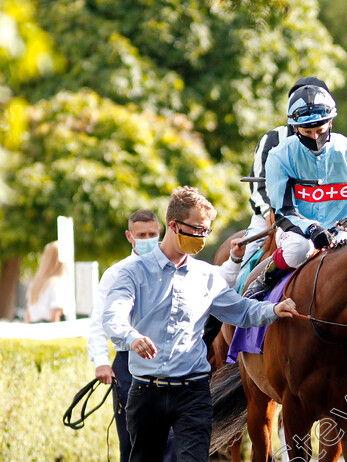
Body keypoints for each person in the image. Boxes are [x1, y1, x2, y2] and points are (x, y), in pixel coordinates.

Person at [103, 186, 299, 462]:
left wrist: (273, 309)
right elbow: (113, 315)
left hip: (193, 392)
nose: (202, 238)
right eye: (196, 229)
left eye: (206, 231)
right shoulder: (133, 272)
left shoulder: (207, 276)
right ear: (173, 225)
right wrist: (131, 336)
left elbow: (240, 310)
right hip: (147, 392)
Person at [246, 85, 347, 296]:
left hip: (343, 233)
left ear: (330, 123)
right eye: (307, 132)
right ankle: (264, 280)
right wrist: (312, 228)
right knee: (299, 249)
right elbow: (283, 212)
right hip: (298, 233)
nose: (315, 137)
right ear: (295, 128)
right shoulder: (279, 156)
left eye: (321, 130)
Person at [86, 210, 180, 462]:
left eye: (152, 234)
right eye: (142, 235)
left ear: (160, 232)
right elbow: (99, 320)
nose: (148, 238)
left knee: (171, 441)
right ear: (130, 236)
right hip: (128, 363)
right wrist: (101, 361)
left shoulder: (176, 267)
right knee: (131, 440)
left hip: (168, 361)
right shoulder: (116, 273)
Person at [239, 76, 331, 272]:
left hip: (324, 214)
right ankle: (243, 293)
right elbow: (259, 187)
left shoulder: (338, 144)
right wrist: (269, 214)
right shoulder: (272, 138)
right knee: (246, 257)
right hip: (275, 215)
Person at [25, 241, 71, 323]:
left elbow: (28, 315)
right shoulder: (57, 283)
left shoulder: (35, 284)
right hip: (49, 329)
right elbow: (55, 315)